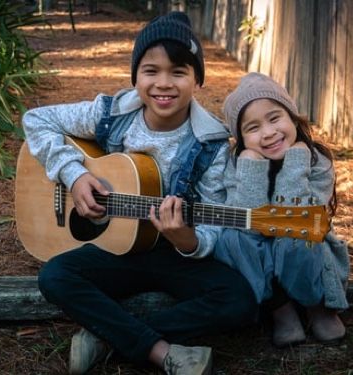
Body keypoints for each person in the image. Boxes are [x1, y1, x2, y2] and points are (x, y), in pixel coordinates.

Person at [22, 11, 258, 375]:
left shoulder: (212, 145)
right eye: (151, 71)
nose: (164, 83)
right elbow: (36, 120)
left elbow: (216, 215)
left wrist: (188, 240)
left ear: (197, 80)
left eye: (178, 72)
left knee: (240, 301)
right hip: (115, 250)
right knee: (54, 276)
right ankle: (160, 350)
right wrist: (74, 175)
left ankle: (109, 338)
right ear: (136, 77)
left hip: (172, 255)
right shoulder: (111, 114)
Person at [215, 72, 350, 348]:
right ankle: (281, 309)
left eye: (274, 118)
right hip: (262, 257)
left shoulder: (315, 159)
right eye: (252, 128)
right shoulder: (236, 163)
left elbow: (303, 219)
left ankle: (316, 305)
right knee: (231, 238)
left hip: (305, 253)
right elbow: (245, 222)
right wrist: (251, 166)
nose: (268, 132)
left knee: (295, 232)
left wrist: (296, 161)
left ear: (292, 117)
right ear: (240, 139)